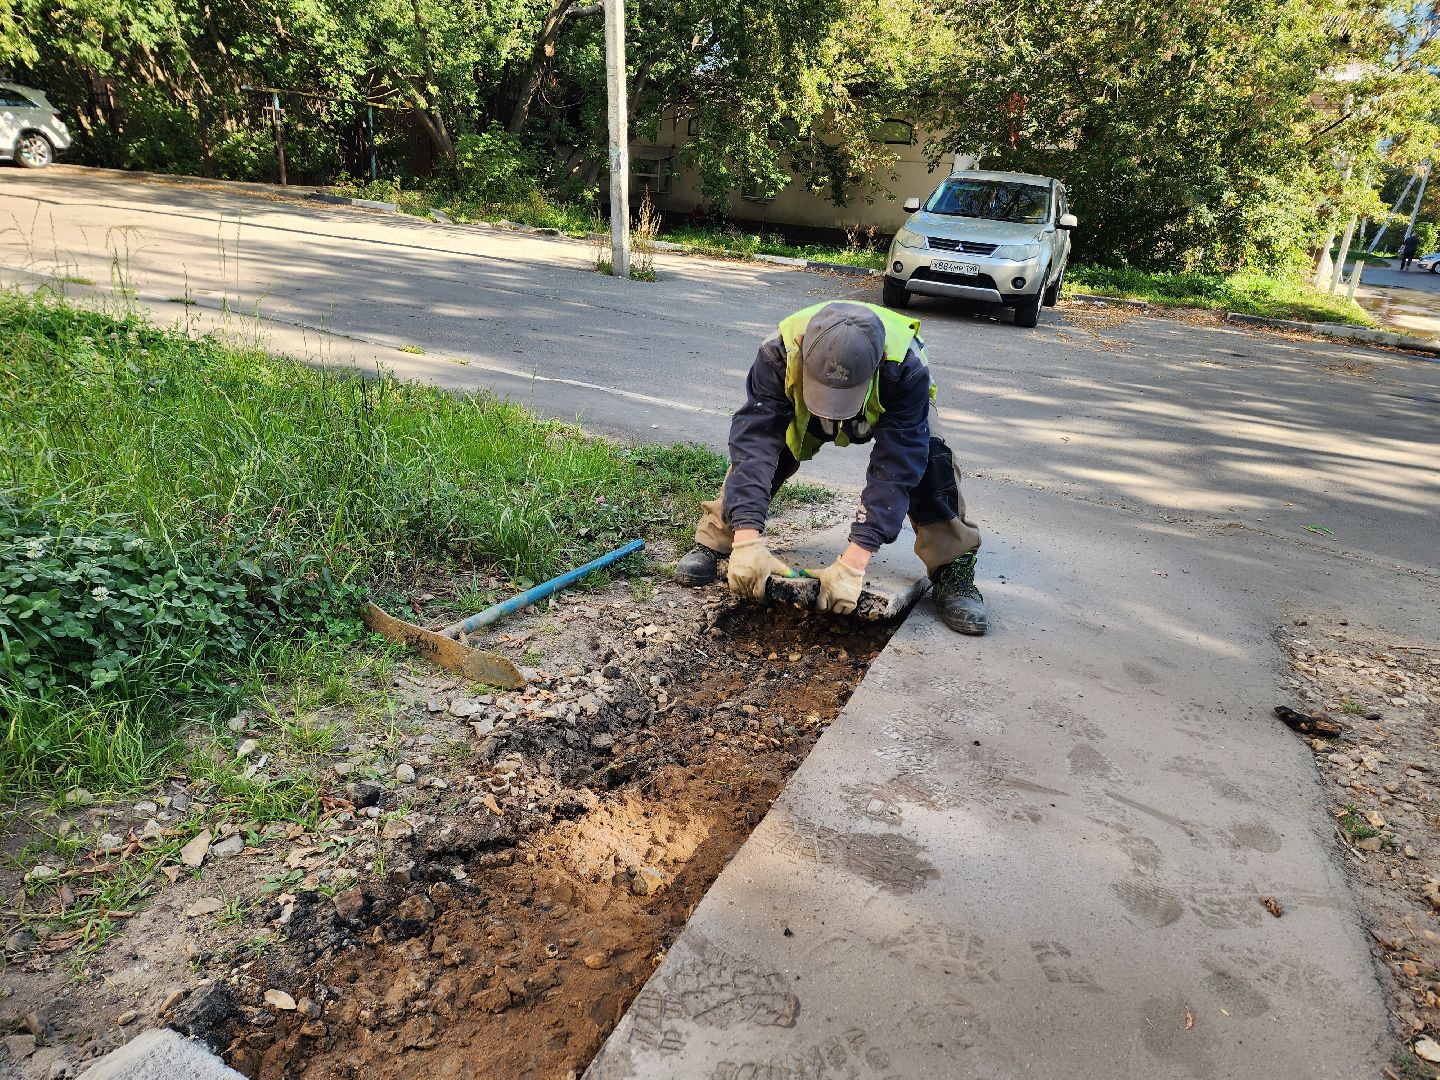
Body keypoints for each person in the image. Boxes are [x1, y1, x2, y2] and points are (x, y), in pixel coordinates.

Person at [674, 300, 988, 635]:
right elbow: (754, 447)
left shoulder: (905, 366)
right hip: (801, 399)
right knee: (767, 449)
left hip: (892, 399)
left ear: (879, 362)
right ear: (802, 346)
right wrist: (748, 540)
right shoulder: (777, 354)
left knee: (929, 459)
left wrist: (854, 561)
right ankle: (719, 538)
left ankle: (953, 566)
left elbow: (896, 468)